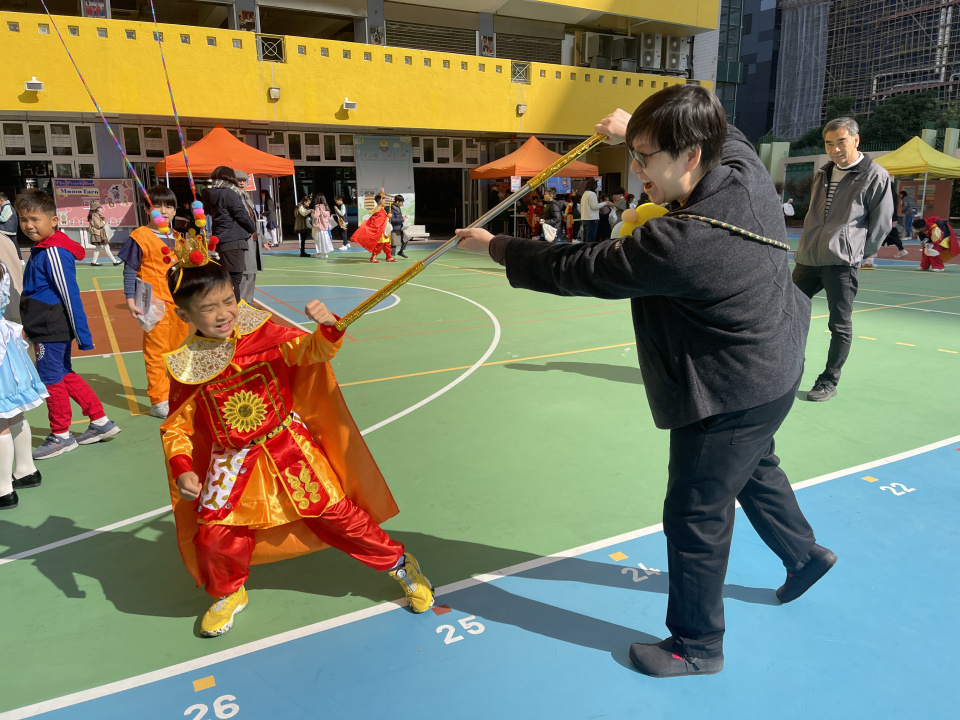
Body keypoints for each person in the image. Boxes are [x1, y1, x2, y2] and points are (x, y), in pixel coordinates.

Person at [456, 84, 834, 679]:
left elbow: (581, 267)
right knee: (753, 466)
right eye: (633, 153)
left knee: (695, 513)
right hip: (776, 365)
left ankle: (696, 645)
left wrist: (497, 246)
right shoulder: (742, 171)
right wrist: (636, 125)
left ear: (691, 155)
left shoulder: (682, 242)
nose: (636, 169)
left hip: (732, 386)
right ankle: (804, 555)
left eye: (645, 157)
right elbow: (728, 131)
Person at [160, 252, 434, 637]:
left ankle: (400, 565)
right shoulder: (187, 365)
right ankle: (229, 592)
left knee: (338, 517)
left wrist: (327, 328)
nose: (223, 314)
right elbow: (177, 425)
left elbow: (313, 351)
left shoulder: (264, 333)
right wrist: (182, 467)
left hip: (287, 446)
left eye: (228, 300)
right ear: (184, 315)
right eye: (208, 308)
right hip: (231, 461)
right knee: (215, 535)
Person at [792, 116, 893, 401]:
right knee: (787, 312)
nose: (834, 149)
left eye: (841, 142)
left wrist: (859, 253)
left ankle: (828, 381)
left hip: (842, 262)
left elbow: (882, 223)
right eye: (829, 143)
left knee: (839, 324)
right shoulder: (823, 173)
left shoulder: (875, 174)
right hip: (809, 258)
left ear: (856, 140)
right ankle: (787, 371)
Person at [16, 190, 121, 459]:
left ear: (53, 221)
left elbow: (70, 293)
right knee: (63, 373)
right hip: (45, 323)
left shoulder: (53, 250)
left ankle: (61, 435)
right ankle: (99, 421)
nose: (29, 225)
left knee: (51, 379)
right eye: (24, 219)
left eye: (35, 219)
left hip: (50, 326)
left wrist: (83, 334)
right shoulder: (44, 247)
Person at [118, 185, 191, 419]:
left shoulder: (178, 237)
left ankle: (177, 391)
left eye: (169, 206)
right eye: (157, 206)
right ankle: (159, 400)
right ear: (148, 209)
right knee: (156, 352)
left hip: (178, 305)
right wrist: (130, 299)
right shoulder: (139, 236)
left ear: (175, 210)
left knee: (179, 349)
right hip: (153, 304)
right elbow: (130, 270)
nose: (164, 211)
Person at [0, 260, 46, 509]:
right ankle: (27, 470)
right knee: (14, 413)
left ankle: (3, 489)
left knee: (1, 420)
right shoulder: (1, 267)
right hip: (8, 349)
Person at [202, 167, 258, 301]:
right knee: (235, 279)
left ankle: (228, 305)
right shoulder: (228, 193)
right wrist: (252, 229)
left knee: (227, 278)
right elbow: (241, 214)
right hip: (234, 239)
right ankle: (234, 307)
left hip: (221, 238)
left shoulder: (211, 193)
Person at [350, 193, 395, 263]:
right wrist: (388, 216)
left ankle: (389, 256)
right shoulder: (379, 210)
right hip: (381, 230)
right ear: (380, 201)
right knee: (380, 244)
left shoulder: (380, 209)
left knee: (387, 243)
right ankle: (373, 257)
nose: (385, 202)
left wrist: (387, 217)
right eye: (383, 200)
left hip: (383, 229)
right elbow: (379, 221)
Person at [86, 201, 121, 267]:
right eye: (99, 207)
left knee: (98, 248)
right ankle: (114, 261)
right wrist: (104, 221)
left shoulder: (95, 215)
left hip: (99, 233)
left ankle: (94, 261)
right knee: (106, 247)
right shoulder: (94, 215)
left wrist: (103, 219)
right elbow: (98, 225)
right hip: (98, 234)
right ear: (96, 208)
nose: (100, 208)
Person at [311, 194, 334, 260]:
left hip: (319, 226)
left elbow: (316, 216)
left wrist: (312, 212)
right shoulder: (326, 206)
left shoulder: (317, 207)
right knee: (325, 239)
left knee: (318, 240)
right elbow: (327, 215)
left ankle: (320, 253)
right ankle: (325, 253)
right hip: (325, 226)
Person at [0, 192, 20, 261]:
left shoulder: (7, 207)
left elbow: (3, 218)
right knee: (12, 245)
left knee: (13, 246)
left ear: (1, 200)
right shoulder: (4, 207)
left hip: (7, 230)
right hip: (7, 230)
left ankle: (19, 259)